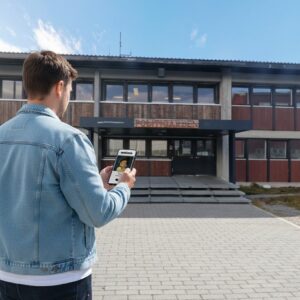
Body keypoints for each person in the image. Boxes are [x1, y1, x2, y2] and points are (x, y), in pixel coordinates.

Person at [0, 50, 136, 300]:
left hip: (6, 276)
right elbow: (99, 212)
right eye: (71, 92)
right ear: (60, 87)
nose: (69, 100)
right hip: (60, 280)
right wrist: (123, 186)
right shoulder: (69, 139)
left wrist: (97, 182)